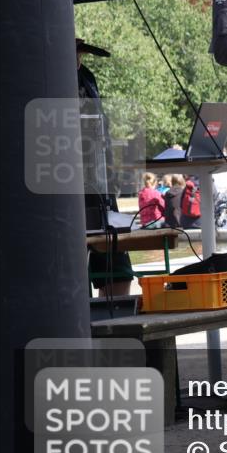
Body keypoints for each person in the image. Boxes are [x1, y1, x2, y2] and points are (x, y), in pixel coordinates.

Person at [77, 38, 134, 297]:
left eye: (81, 55)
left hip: (99, 182)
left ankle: (114, 315)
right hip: (66, 182)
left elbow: (100, 126)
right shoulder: (46, 76)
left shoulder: (87, 77)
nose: (79, 60)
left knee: (118, 271)